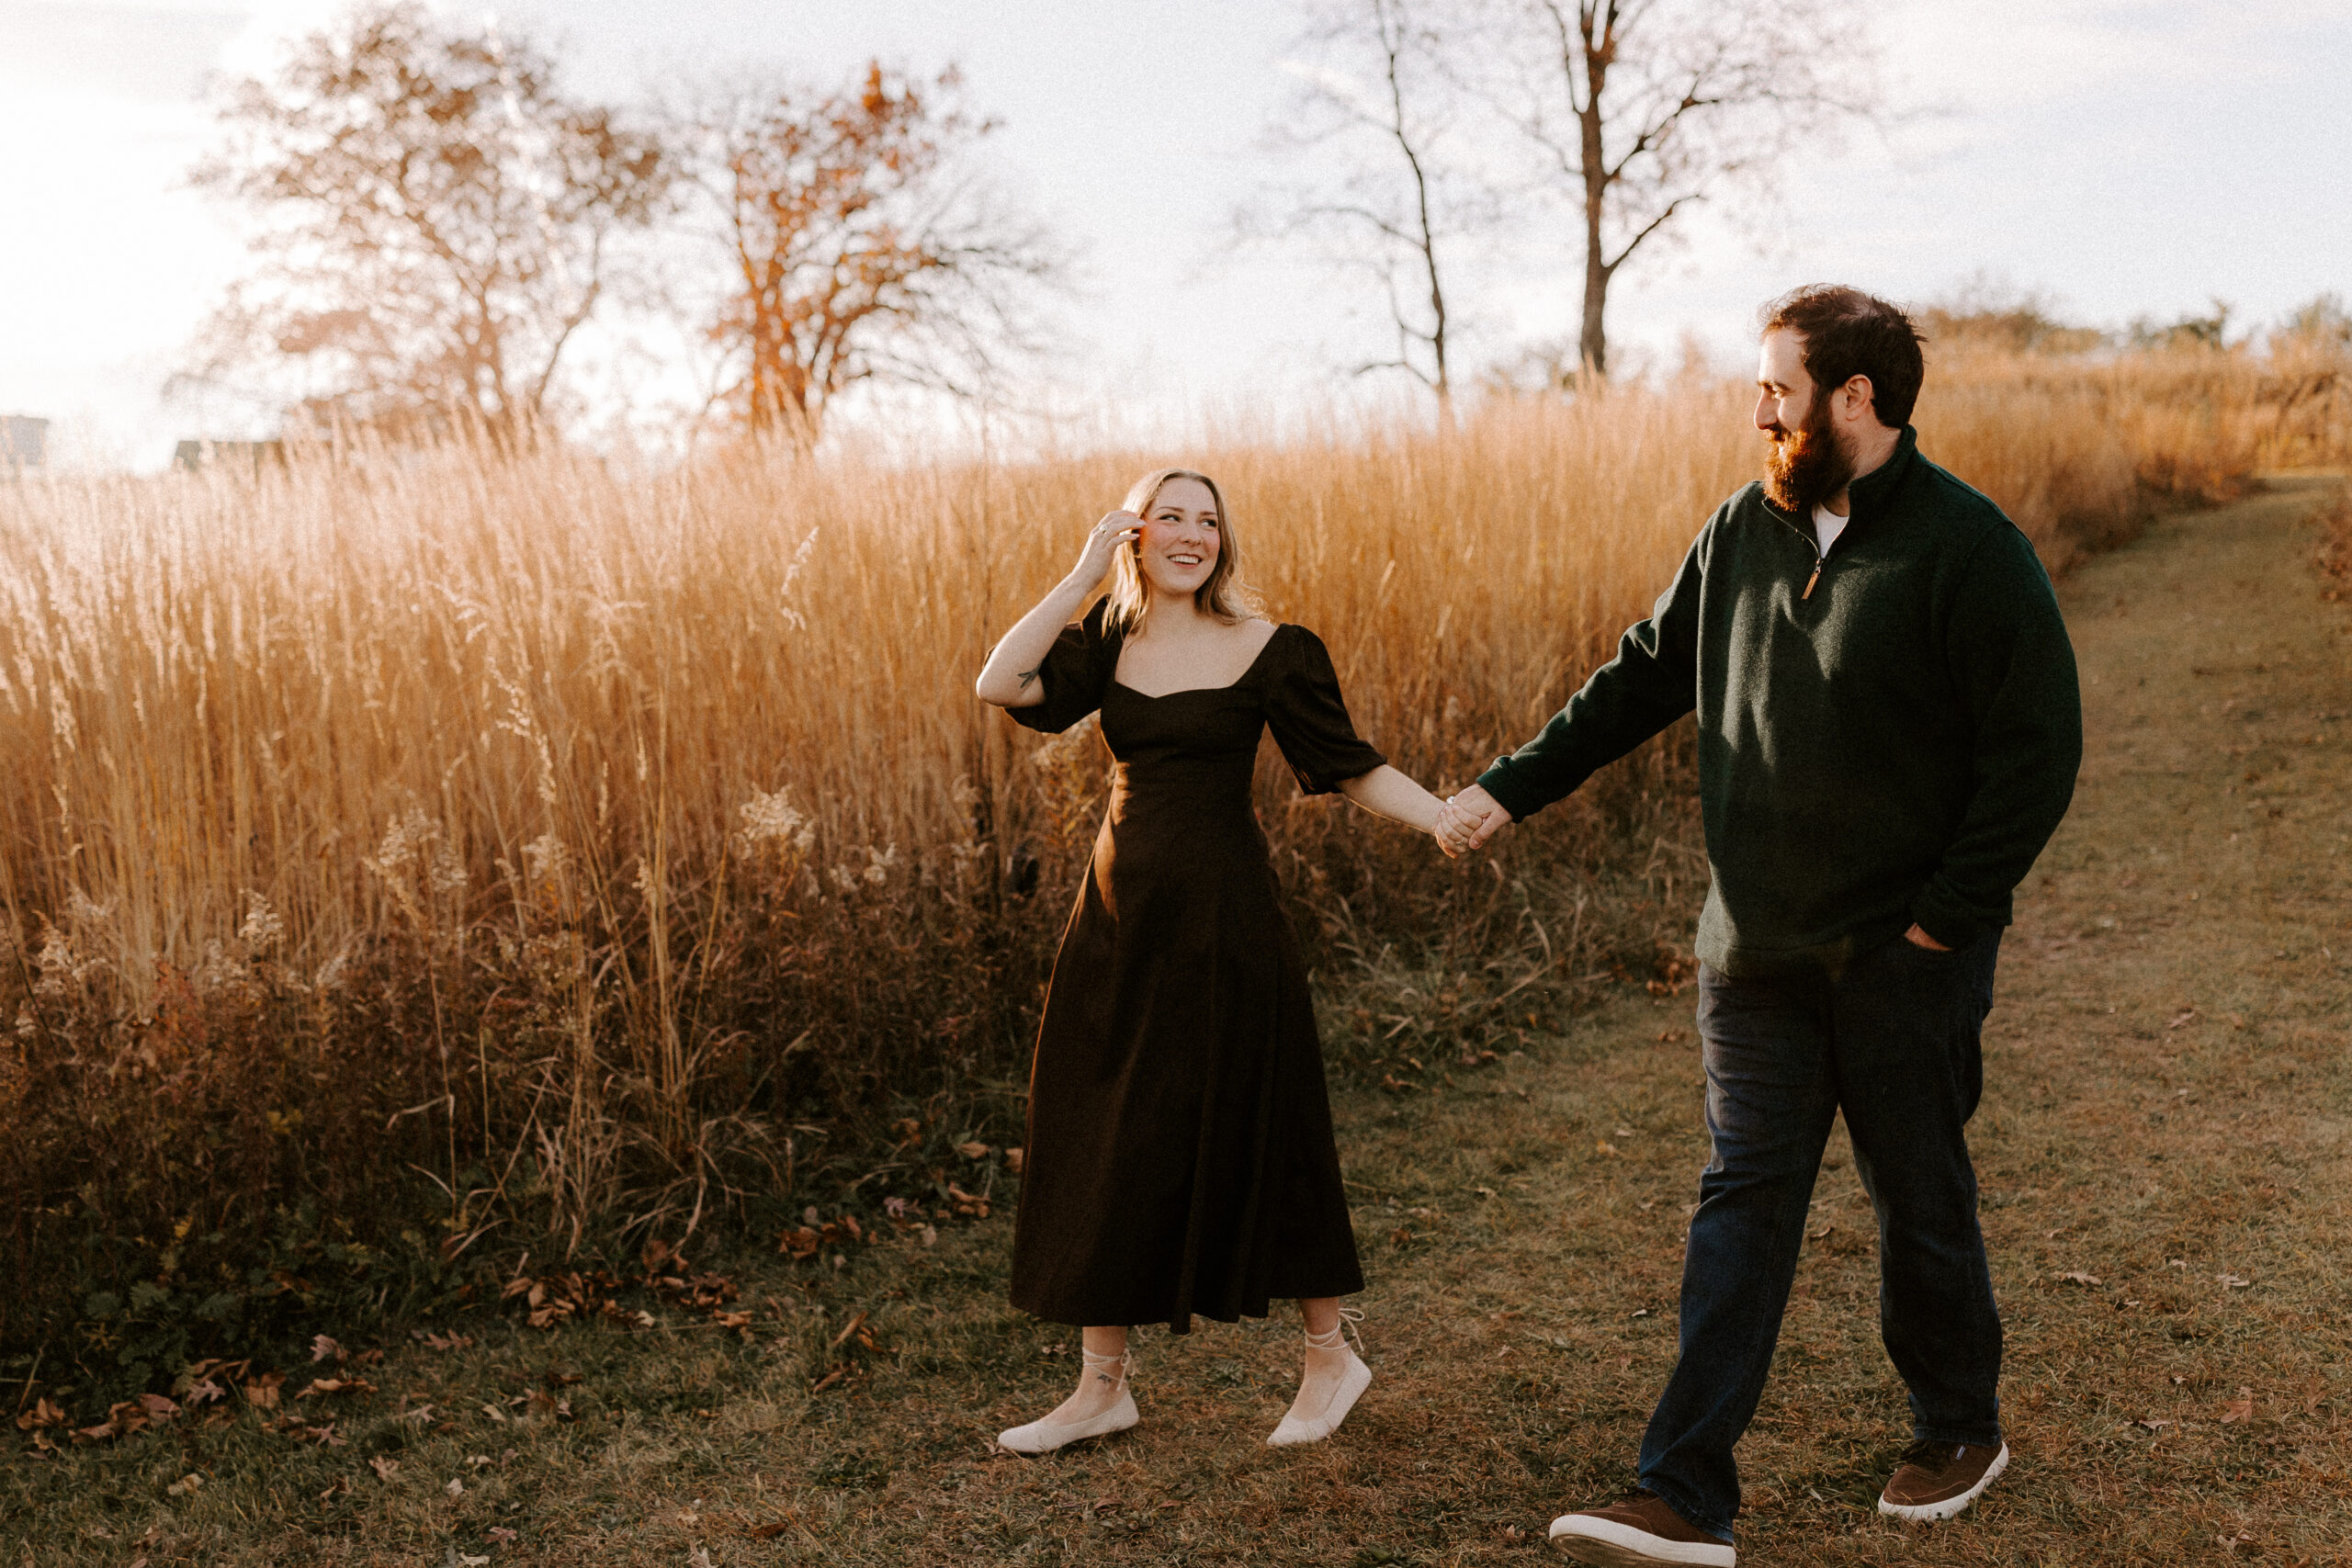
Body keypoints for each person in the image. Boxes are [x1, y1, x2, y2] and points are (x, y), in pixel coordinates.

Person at [1440, 286, 2082, 1567]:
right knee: (1743, 1201)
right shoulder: (1744, 527)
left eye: (1778, 387)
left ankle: (1961, 1424)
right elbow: (1641, 676)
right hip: (1755, 955)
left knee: (1919, 1193)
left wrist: (1944, 930)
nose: (1758, 408)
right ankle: (1681, 1487)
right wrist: (1503, 792)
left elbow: (2037, 749)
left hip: (1903, 959)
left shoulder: (1966, 546)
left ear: (1858, 397)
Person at [975, 468, 1467, 1455]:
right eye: (1170, 519)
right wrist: (1081, 574)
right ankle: (1100, 1388)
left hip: (1227, 920)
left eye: (1208, 521)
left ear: (1222, 541)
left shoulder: (1271, 649)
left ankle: (1331, 1358)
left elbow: (1347, 764)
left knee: (1265, 1114)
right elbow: (1001, 683)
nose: (1191, 535)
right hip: (1118, 919)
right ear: (1137, 535)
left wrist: (1442, 817)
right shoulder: (1108, 641)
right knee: (1102, 1125)